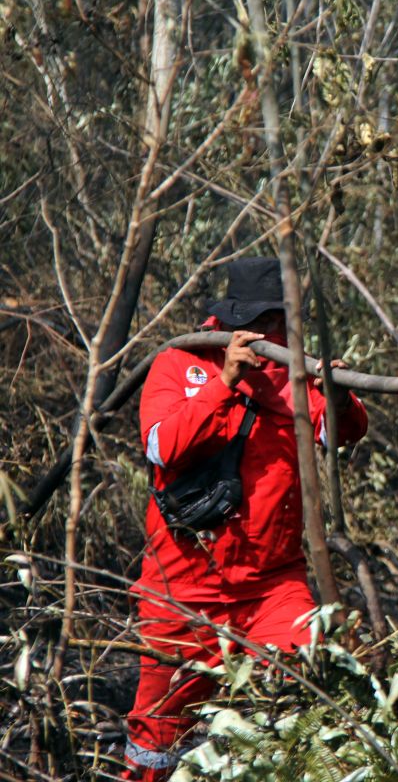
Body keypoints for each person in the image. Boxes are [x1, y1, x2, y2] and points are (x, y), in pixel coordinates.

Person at [121, 257, 369, 781]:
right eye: (260, 322)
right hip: (181, 586)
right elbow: (162, 447)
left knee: (312, 688)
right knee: (158, 737)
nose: (268, 333)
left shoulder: (298, 376)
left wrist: (340, 393)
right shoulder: (183, 362)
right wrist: (225, 381)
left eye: (279, 322)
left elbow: (338, 435)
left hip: (272, 585)